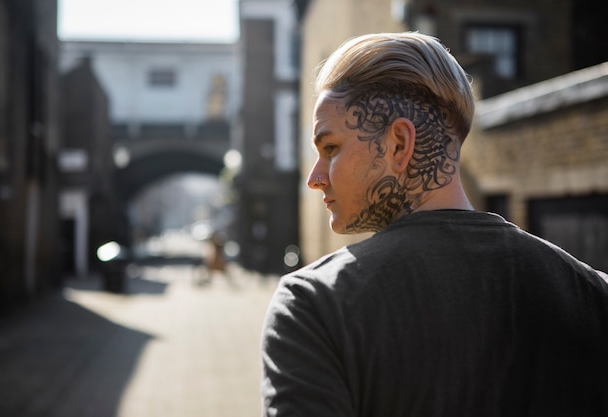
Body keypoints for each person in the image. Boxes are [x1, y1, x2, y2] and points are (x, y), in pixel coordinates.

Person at [260, 32, 608, 417]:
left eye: (331, 149)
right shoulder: (593, 292)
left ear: (398, 144)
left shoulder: (315, 306)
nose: (315, 177)